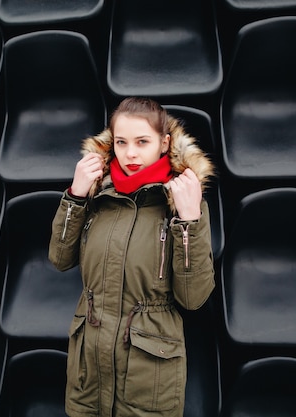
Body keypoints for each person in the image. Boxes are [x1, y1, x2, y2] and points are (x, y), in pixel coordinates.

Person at [49, 97, 215, 417]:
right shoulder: (97, 196)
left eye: (142, 142)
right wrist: (76, 195)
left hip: (147, 378)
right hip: (89, 372)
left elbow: (193, 297)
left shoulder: (179, 203)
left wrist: (189, 219)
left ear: (164, 143)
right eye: (122, 142)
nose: (131, 154)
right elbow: (59, 258)